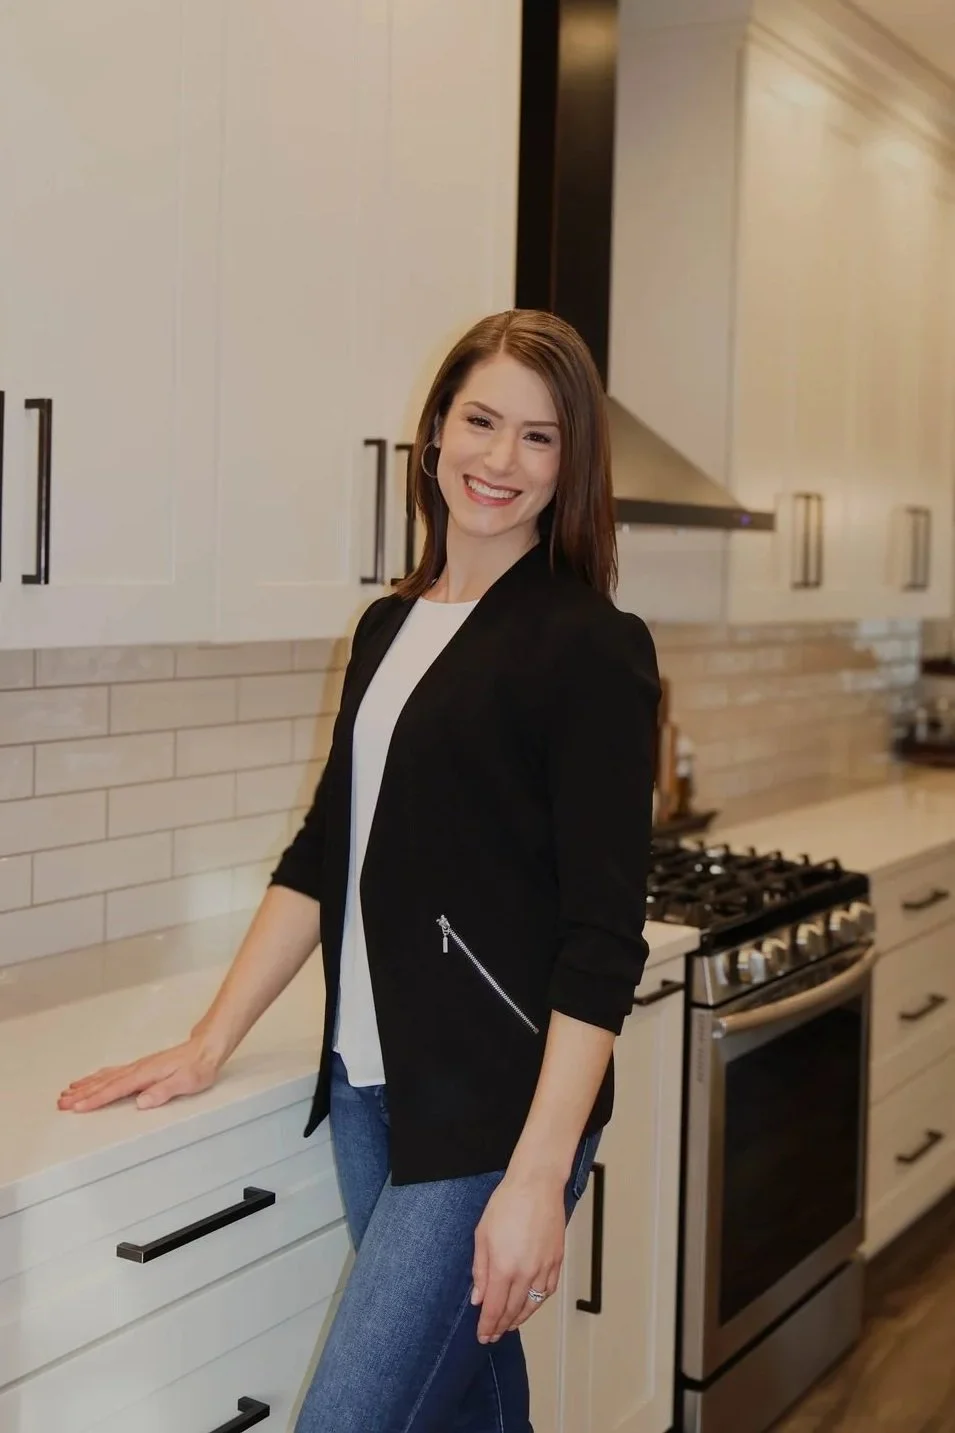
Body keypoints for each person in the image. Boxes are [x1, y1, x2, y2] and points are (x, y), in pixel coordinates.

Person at [58, 309, 661, 1432]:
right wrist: (209, 1041)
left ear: (570, 464)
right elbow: (324, 850)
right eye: (480, 420)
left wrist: (536, 1175)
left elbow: (602, 934)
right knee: (467, 1407)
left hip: (495, 1110)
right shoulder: (387, 627)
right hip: (369, 1090)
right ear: (433, 434)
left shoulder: (588, 644)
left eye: (539, 437)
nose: (499, 459)